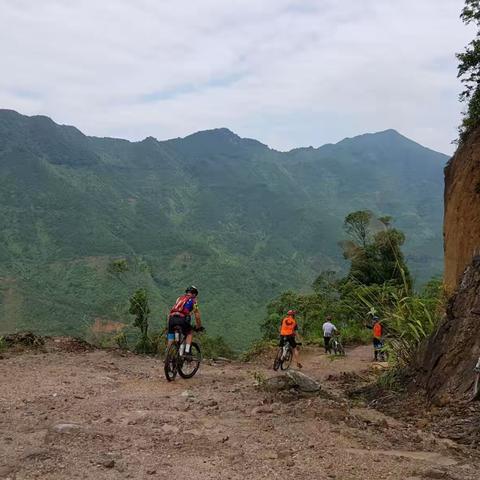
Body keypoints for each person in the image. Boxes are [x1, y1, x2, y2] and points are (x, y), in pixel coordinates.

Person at [167, 286, 202, 359]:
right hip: (182, 319)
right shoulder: (193, 301)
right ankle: (187, 352)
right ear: (194, 294)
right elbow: (197, 315)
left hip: (172, 319)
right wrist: (199, 326)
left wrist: (169, 324)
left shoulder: (179, 299)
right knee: (189, 332)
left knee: (171, 338)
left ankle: (168, 356)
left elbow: (171, 311)